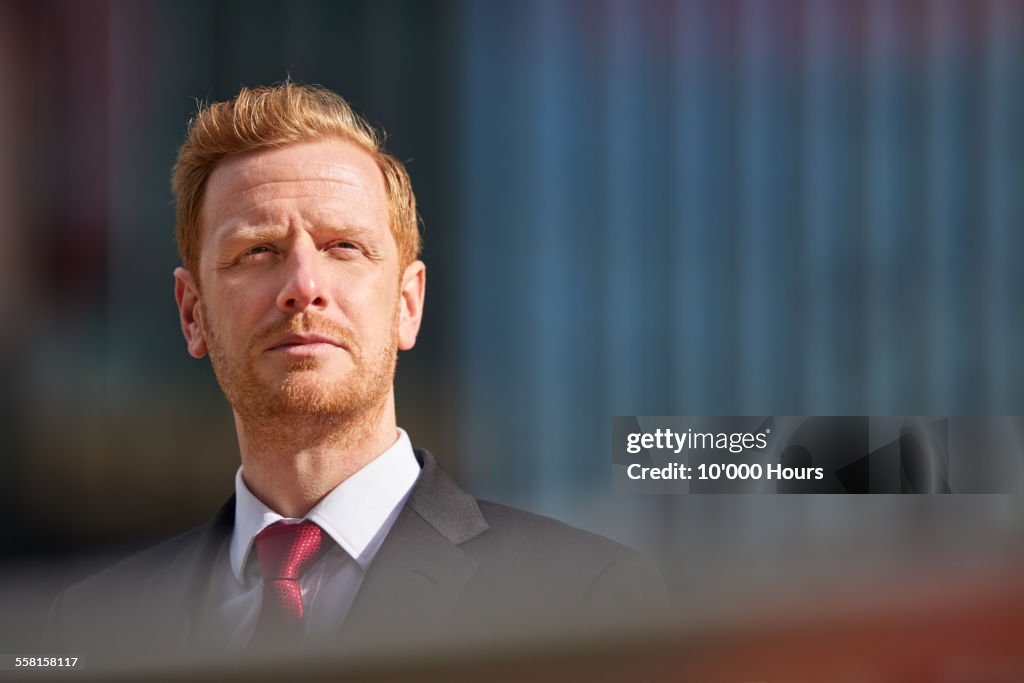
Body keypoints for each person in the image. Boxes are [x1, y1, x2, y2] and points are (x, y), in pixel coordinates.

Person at [44, 81, 666, 666]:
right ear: (192, 314)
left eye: (344, 247)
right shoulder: (84, 629)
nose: (303, 287)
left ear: (408, 303)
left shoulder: (581, 599)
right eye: (257, 251)